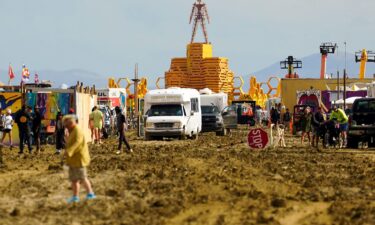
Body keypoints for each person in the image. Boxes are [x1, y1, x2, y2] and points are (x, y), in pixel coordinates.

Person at [63, 115, 96, 203]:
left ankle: (90, 193)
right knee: (74, 179)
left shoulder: (77, 130)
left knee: (83, 177)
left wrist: (69, 151)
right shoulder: (72, 131)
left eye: (67, 123)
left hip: (79, 159)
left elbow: (77, 143)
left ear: (72, 122)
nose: (66, 126)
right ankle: (75, 196)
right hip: (73, 160)